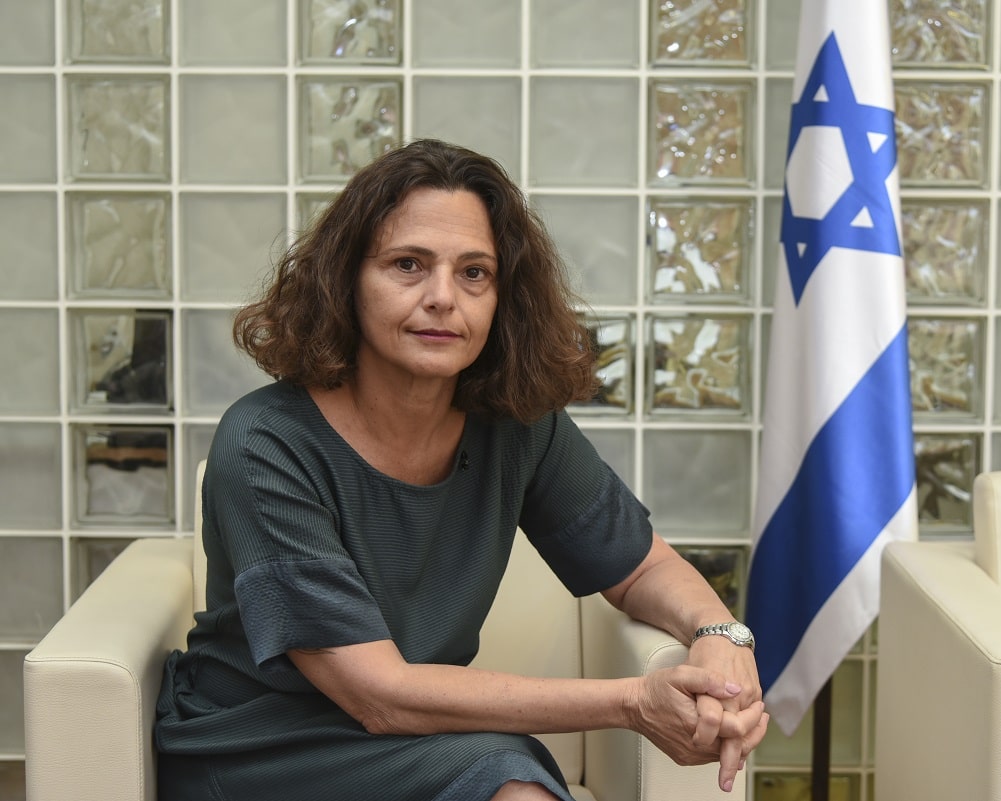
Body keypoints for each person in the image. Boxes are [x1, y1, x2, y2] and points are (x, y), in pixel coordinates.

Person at [155, 138, 768, 801]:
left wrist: (719, 636)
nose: (443, 297)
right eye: (408, 264)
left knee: (511, 779)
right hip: (259, 746)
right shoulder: (265, 442)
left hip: (418, 736)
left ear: (504, 296)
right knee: (510, 777)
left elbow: (642, 568)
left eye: (475, 272)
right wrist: (632, 702)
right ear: (345, 281)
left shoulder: (517, 425)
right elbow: (377, 693)